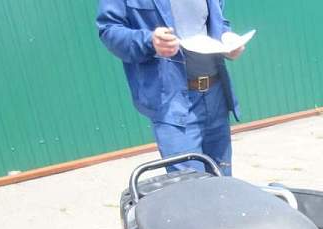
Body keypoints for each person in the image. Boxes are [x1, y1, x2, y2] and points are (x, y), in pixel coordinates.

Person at [96, 0, 245, 174]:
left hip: (216, 95)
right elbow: (109, 30)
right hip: (173, 104)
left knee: (224, 182)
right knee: (191, 184)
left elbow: (217, 22)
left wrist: (227, 38)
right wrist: (149, 41)